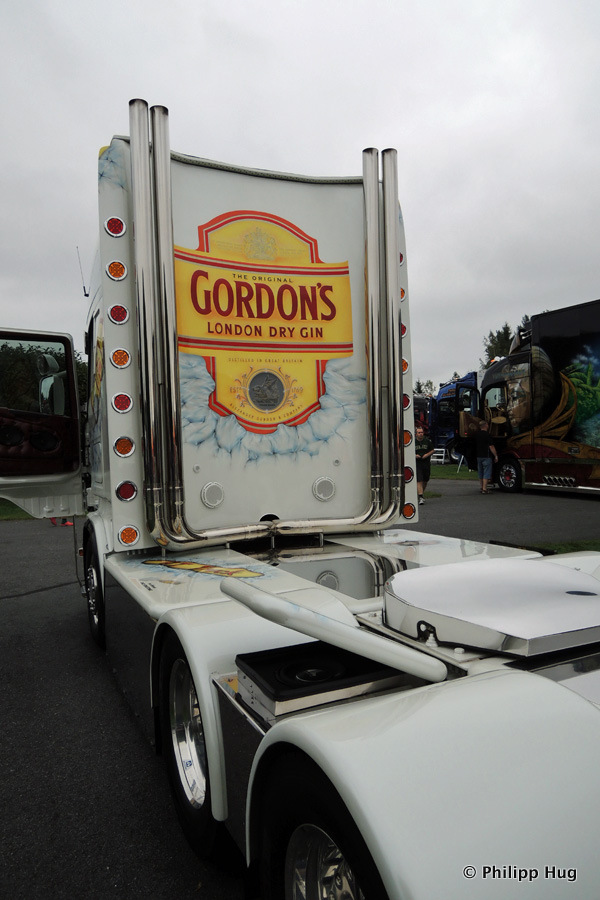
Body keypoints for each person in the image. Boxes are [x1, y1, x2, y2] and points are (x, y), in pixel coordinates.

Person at [476, 421, 498, 494]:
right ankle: (485, 489)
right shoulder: (487, 435)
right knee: (486, 472)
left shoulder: (477, 434)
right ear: (485, 425)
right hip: (486, 456)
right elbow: (491, 446)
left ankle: (481, 487)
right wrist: (495, 455)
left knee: (480, 472)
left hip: (479, 456)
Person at [414, 424, 434, 505]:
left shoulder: (427, 441)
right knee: (419, 480)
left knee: (425, 480)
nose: (420, 434)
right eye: (419, 433)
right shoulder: (413, 442)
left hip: (426, 463)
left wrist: (427, 455)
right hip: (417, 463)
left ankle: (420, 493)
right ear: (416, 434)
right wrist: (415, 455)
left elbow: (432, 450)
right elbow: (408, 452)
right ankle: (421, 496)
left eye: (422, 432)